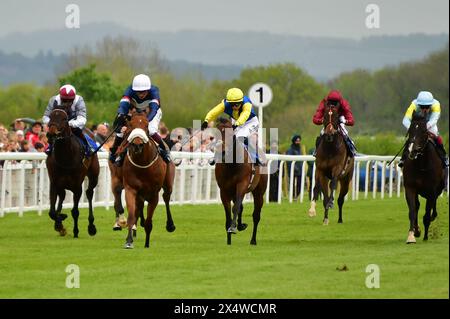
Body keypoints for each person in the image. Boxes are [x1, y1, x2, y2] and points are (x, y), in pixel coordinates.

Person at [109, 74, 171, 166]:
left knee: (151, 130)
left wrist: (145, 121)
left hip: (152, 112)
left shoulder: (154, 91)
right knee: (121, 132)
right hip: (136, 112)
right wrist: (121, 114)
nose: (141, 94)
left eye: (143, 92)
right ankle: (115, 152)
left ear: (148, 89)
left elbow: (154, 109)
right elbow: (123, 106)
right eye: (138, 92)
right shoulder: (129, 90)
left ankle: (165, 150)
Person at [200, 87, 265, 166]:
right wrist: (206, 120)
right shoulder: (225, 104)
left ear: (241, 102)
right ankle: (216, 156)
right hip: (236, 121)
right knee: (225, 137)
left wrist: (237, 124)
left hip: (250, 122)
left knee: (240, 137)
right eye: (231, 104)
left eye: (236, 104)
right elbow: (214, 112)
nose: (234, 106)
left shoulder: (247, 103)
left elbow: (245, 115)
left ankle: (256, 157)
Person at [399, 91, 448, 168]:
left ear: (431, 105)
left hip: (430, 123)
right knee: (411, 138)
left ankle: (444, 157)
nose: (425, 109)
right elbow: (405, 120)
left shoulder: (436, 105)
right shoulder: (414, 105)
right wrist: (413, 130)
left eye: (427, 106)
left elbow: (433, 120)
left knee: (436, 136)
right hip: (417, 124)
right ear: (419, 105)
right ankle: (403, 158)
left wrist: (423, 129)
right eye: (422, 107)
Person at [42, 84, 93, 156]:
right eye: (64, 100)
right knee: (51, 133)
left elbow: (82, 118)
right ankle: (50, 147)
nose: (67, 102)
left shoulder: (79, 100)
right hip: (58, 125)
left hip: (74, 124)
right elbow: (45, 117)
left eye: (70, 100)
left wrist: (70, 124)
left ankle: (87, 148)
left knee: (80, 134)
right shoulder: (54, 100)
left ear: (74, 97)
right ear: (60, 97)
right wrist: (53, 124)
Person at [312, 90, 356, 157]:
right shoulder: (324, 103)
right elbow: (315, 119)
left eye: (335, 103)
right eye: (331, 103)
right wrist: (322, 120)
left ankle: (352, 150)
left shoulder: (343, 103)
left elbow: (352, 121)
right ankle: (316, 150)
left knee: (345, 133)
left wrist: (345, 121)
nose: (332, 105)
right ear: (328, 101)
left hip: (339, 120)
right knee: (322, 133)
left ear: (339, 102)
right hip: (328, 119)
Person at [286, 134, 305, 200]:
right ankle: (293, 196)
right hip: (292, 170)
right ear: (294, 141)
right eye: (297, 141)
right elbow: (289, 161)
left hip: (300, 170)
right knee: (292, 184)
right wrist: (294, 168)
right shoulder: (290, 149)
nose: (298, 142)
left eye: (299, 141)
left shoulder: (300, 149)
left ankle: (296, 195)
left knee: (299, 184)